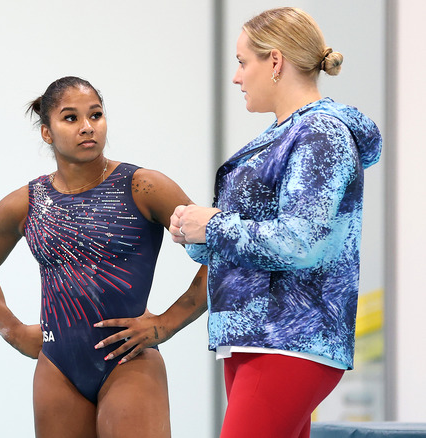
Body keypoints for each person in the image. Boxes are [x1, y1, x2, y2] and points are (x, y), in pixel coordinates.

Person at [168, 7, 382, 438]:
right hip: (257, 337)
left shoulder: (321, 133)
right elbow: (257, 236)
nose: (237, 77)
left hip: (290, 338)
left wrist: (213, 226)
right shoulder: (286, 134)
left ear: (276, 62)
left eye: (243, 63)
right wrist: (195, 233)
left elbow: (300, 242)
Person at [0, 76, 207, 438]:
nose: (87, 127)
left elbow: (223, 254)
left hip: (128, 362)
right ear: (47, 132)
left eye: (96, 114)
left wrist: (168, 323)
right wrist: (11, 330)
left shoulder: (143, 187)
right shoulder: (25, 204)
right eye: (71, 118)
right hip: (58, 368)